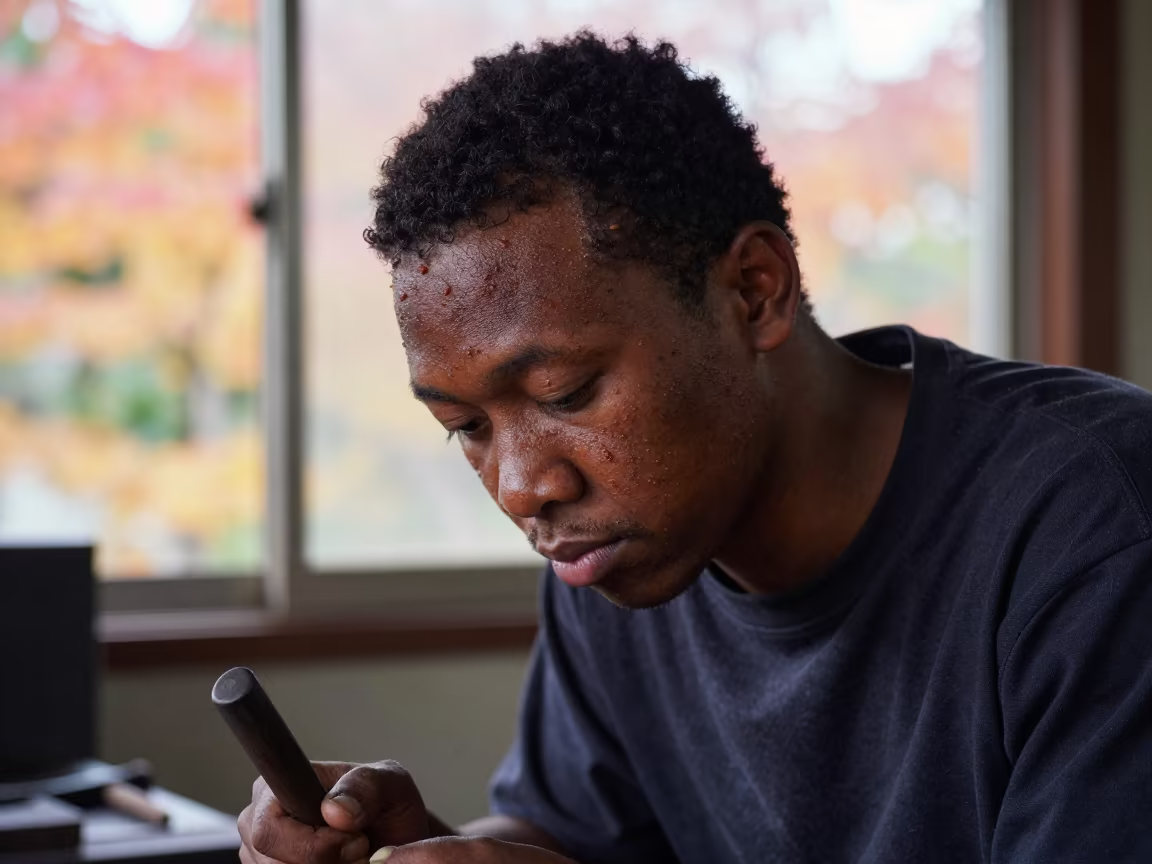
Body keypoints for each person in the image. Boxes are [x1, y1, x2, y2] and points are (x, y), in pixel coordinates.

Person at [238, 32, 1152, 864]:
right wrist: (432, 851)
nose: (523, 487)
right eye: (465, 428)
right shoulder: (615, 547)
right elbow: (572, 839)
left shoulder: (1097, 526)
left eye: (566, 393)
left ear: (755, 291)